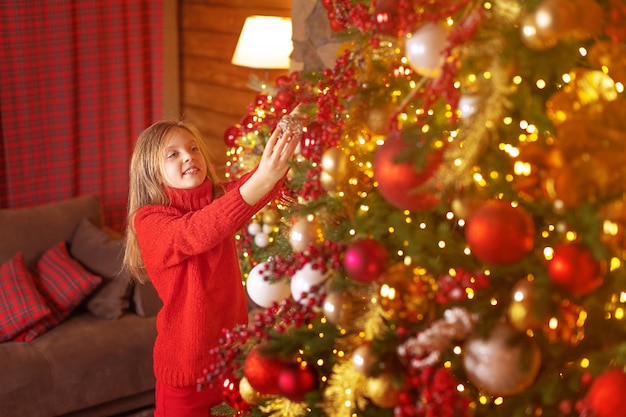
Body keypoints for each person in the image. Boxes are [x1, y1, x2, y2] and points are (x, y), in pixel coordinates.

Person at [122, 117, 300, 417]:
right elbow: (198, 231)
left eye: (193, 148)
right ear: (151, 171)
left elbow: (261, 184)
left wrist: (291, 128)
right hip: (186, 376)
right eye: (173, 154)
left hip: (233, 362)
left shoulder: (217, 198)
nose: (189, 156)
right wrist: (264, 178)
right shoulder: (149, 220)